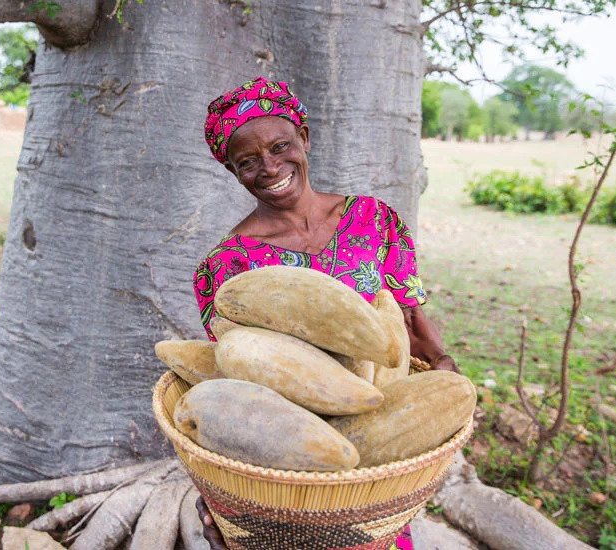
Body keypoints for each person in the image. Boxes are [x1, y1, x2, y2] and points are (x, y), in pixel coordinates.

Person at [191, 76, 457, 550]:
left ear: (305, 139)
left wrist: (443, 372)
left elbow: (411, 320)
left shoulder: (374, 221)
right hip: (293, 466)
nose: (270, 167)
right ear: (234, 172)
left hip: (376, 459)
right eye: (248, 161)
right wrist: (223, 497)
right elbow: (239, 376)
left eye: (280, 146)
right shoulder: (225, 267)